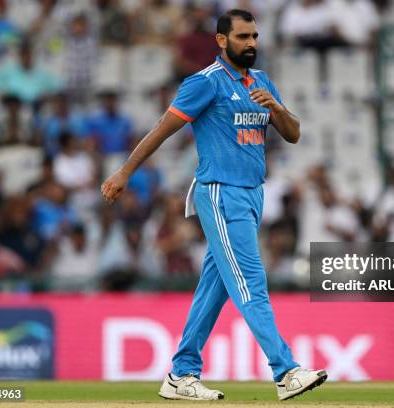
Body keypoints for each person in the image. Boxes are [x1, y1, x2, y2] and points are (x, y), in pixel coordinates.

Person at [101, 9, 326, 401]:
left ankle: (180, 374)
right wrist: (124, 173)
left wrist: (275, 106)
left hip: (253, 193)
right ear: (222, 41)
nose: (251, 43)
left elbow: (293, 134)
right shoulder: (205, 83)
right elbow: (161, 130)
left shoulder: (261, 82)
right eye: (242, 37)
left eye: (254, 35)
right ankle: (286, 371)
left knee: (216, 285)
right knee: (249, 281)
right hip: (221, 192)